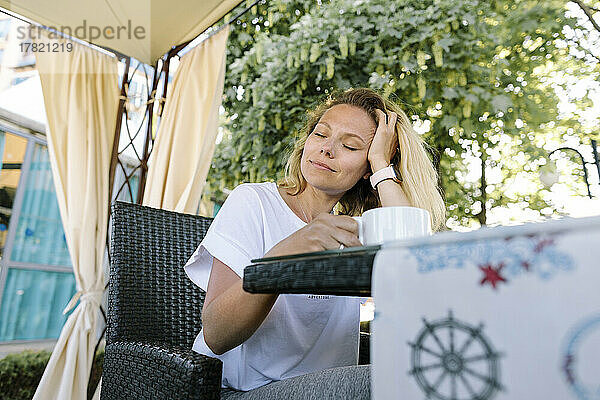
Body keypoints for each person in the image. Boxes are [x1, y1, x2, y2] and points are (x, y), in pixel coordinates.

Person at [184, 88, 445, 399]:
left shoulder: (354, 230)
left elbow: (414, 265)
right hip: (236, 390)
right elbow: (216, 334)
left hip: (323, 388)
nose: (327, 149)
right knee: (387, 381)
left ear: (366, 171)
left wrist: (380, 163)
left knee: (420, 372)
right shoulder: (254, 201)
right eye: (321, 134)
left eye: (350, 146)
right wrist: (287, 253)